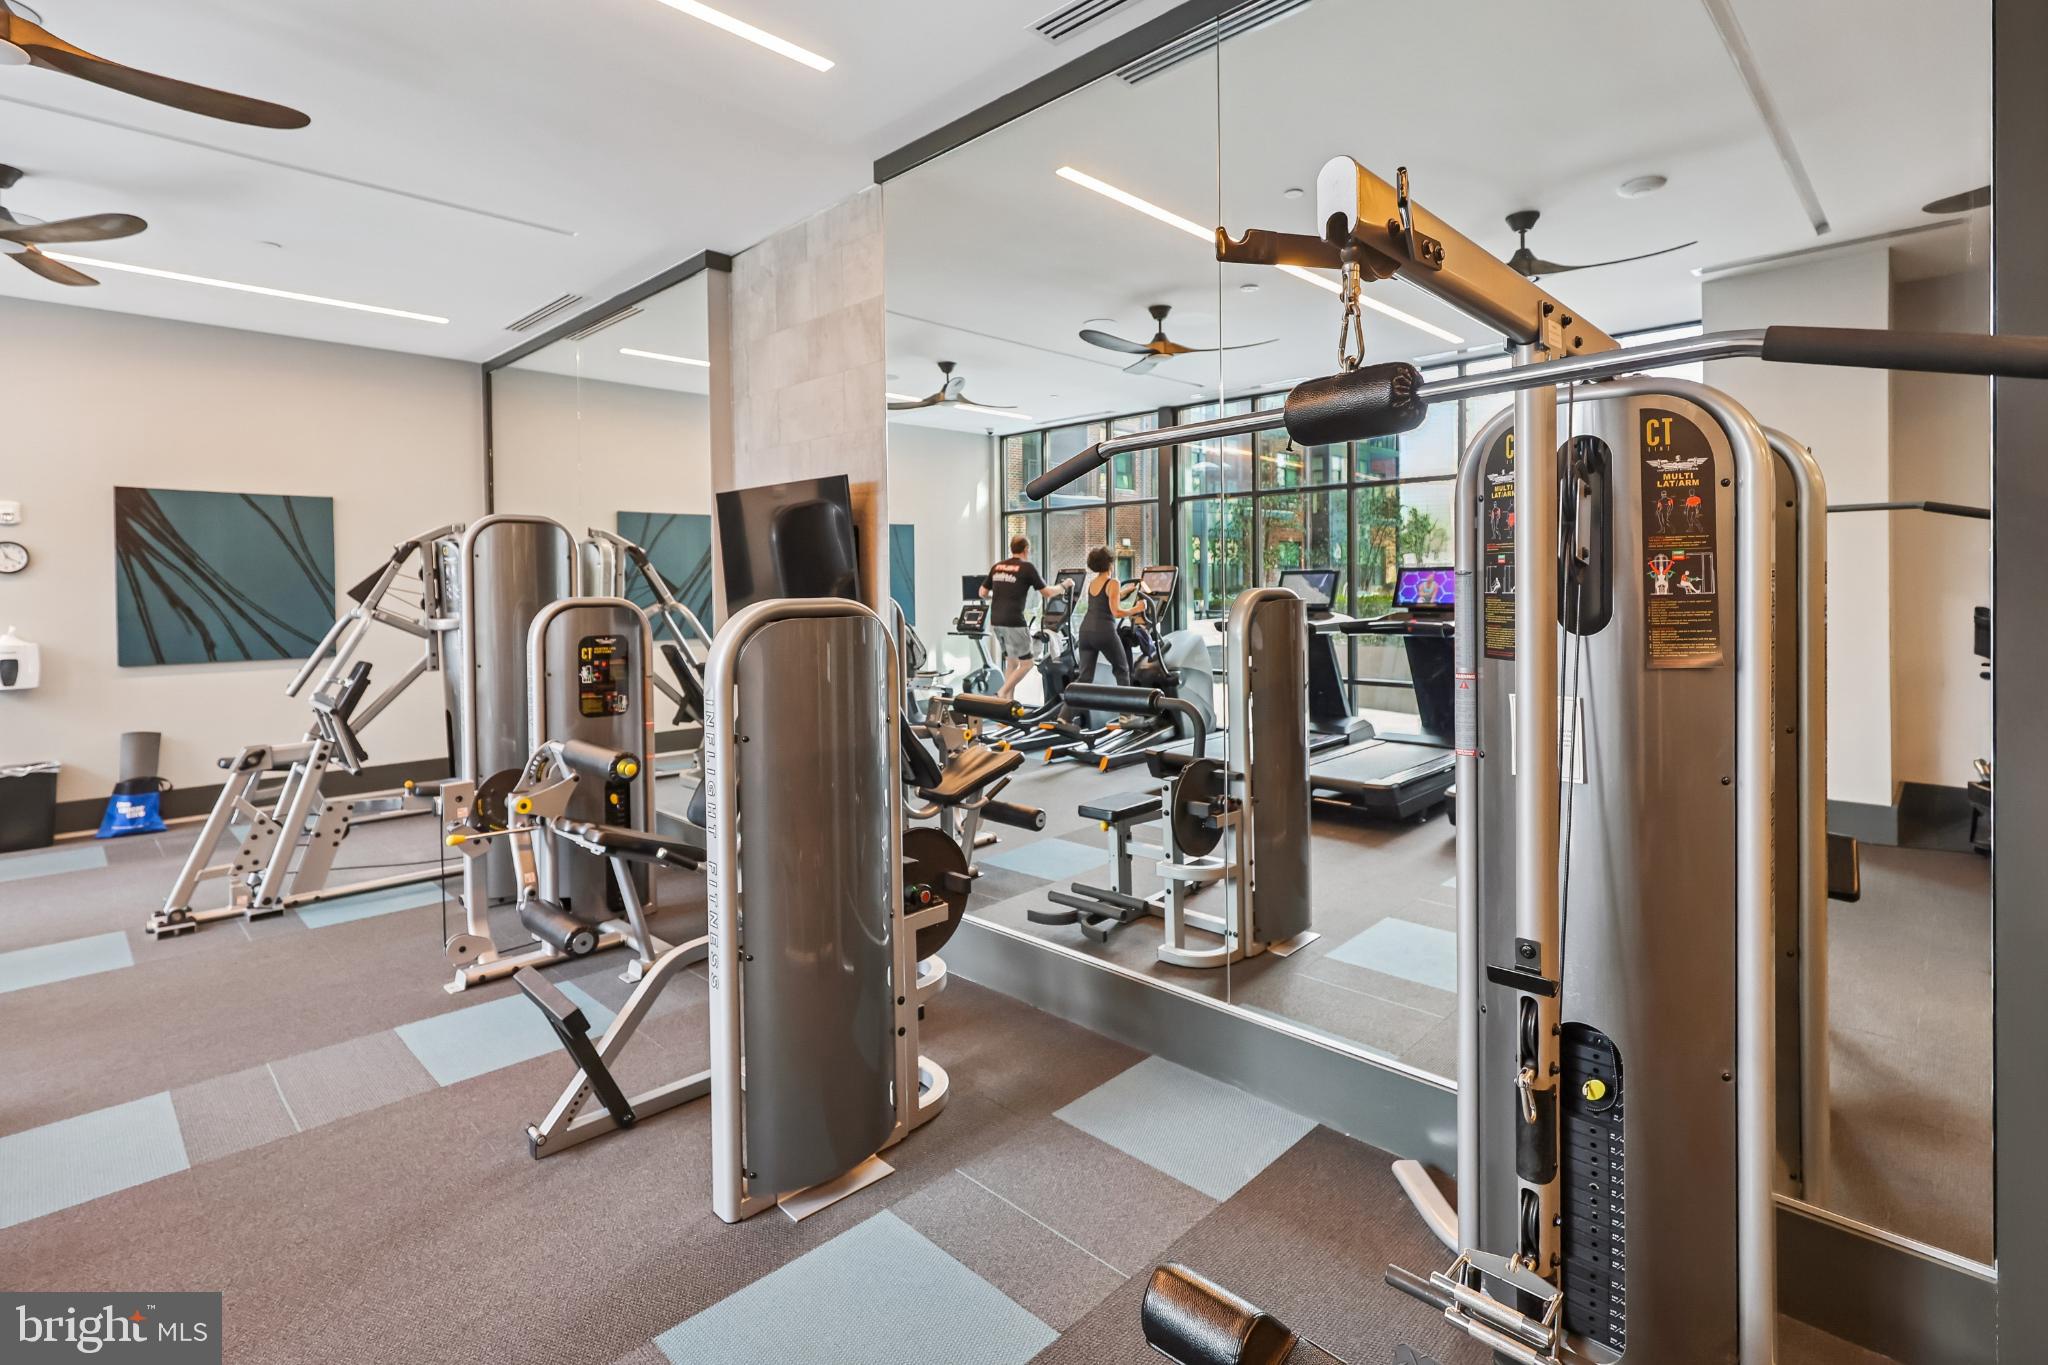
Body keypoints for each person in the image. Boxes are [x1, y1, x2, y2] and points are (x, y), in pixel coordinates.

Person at [981, 534, 1066, 700]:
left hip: (996, 621)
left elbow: (982, 592)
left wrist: (998, 597)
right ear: (1026, 549)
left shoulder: (997, 567)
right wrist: (1064, 585)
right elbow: (1047, 592)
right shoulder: (1027, 568)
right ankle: (1002, 692)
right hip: (1014, 621)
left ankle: (1006, 704)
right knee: (1027, 663)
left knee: (1012, 662)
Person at [1075, 545, 1133, 687]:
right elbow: (1116, 612)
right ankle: (1126, 703)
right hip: (1104, 632)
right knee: (1122, 670)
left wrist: (1124, 592)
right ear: (1110, 564)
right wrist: (1137, 608)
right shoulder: (1113, 582)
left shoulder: (1092, 583)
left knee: (1085, 679)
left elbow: (1105, 598)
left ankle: (1068, 702)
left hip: (1085, 633)